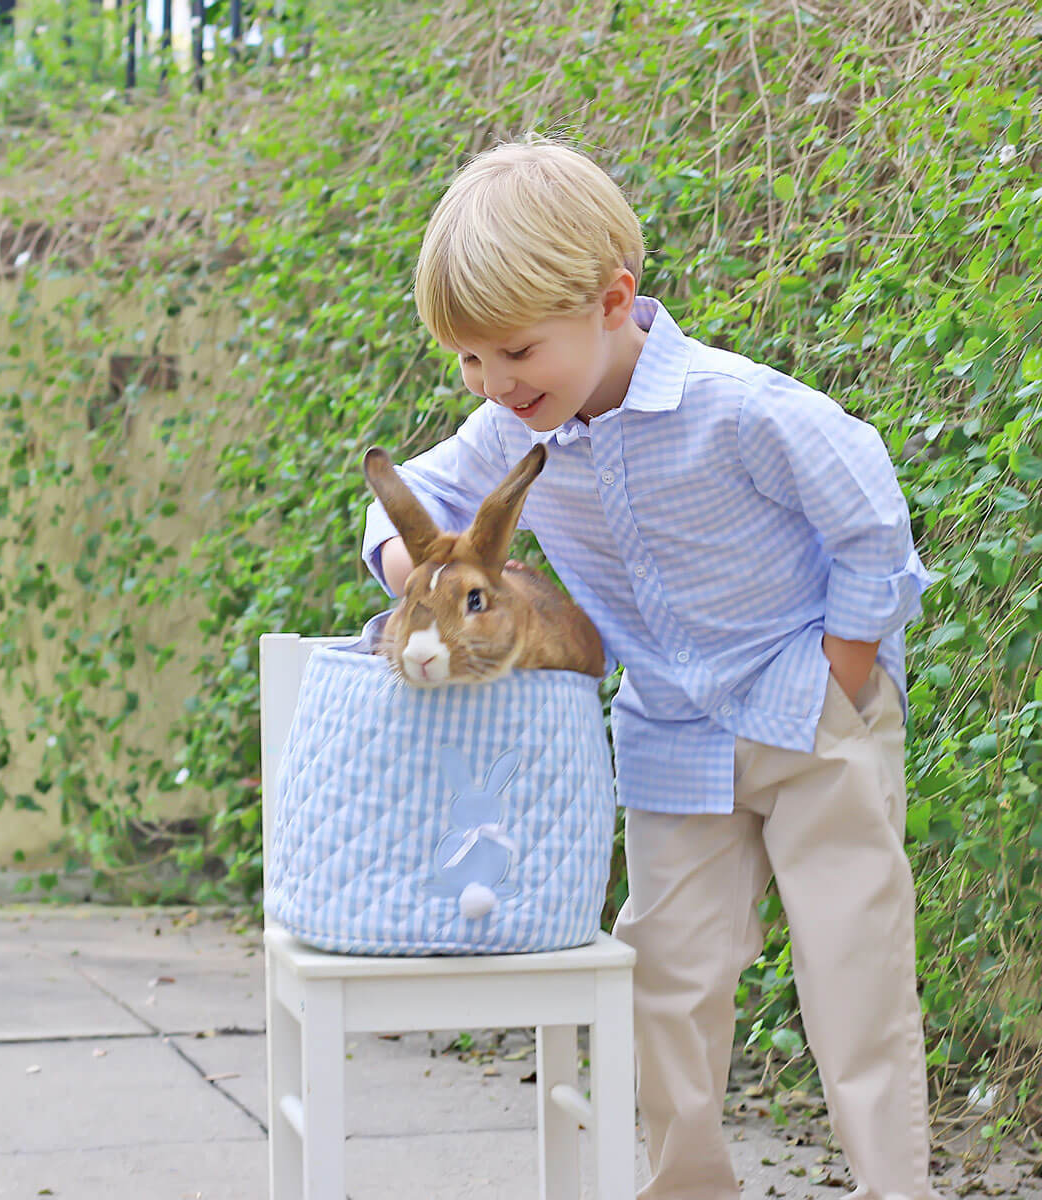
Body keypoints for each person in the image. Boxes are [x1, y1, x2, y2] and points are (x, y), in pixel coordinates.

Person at [361, 137, 941, 1200]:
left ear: (613, 300)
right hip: (674, 731)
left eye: (515, 353)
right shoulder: (508, 430)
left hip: (811, 717)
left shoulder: (739, 406)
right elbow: (410, 506)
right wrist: (424, 569)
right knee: (666, 984)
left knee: (854, 976)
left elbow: (869, 518)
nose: (494, 384)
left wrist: (845, 667)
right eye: (470, 361)